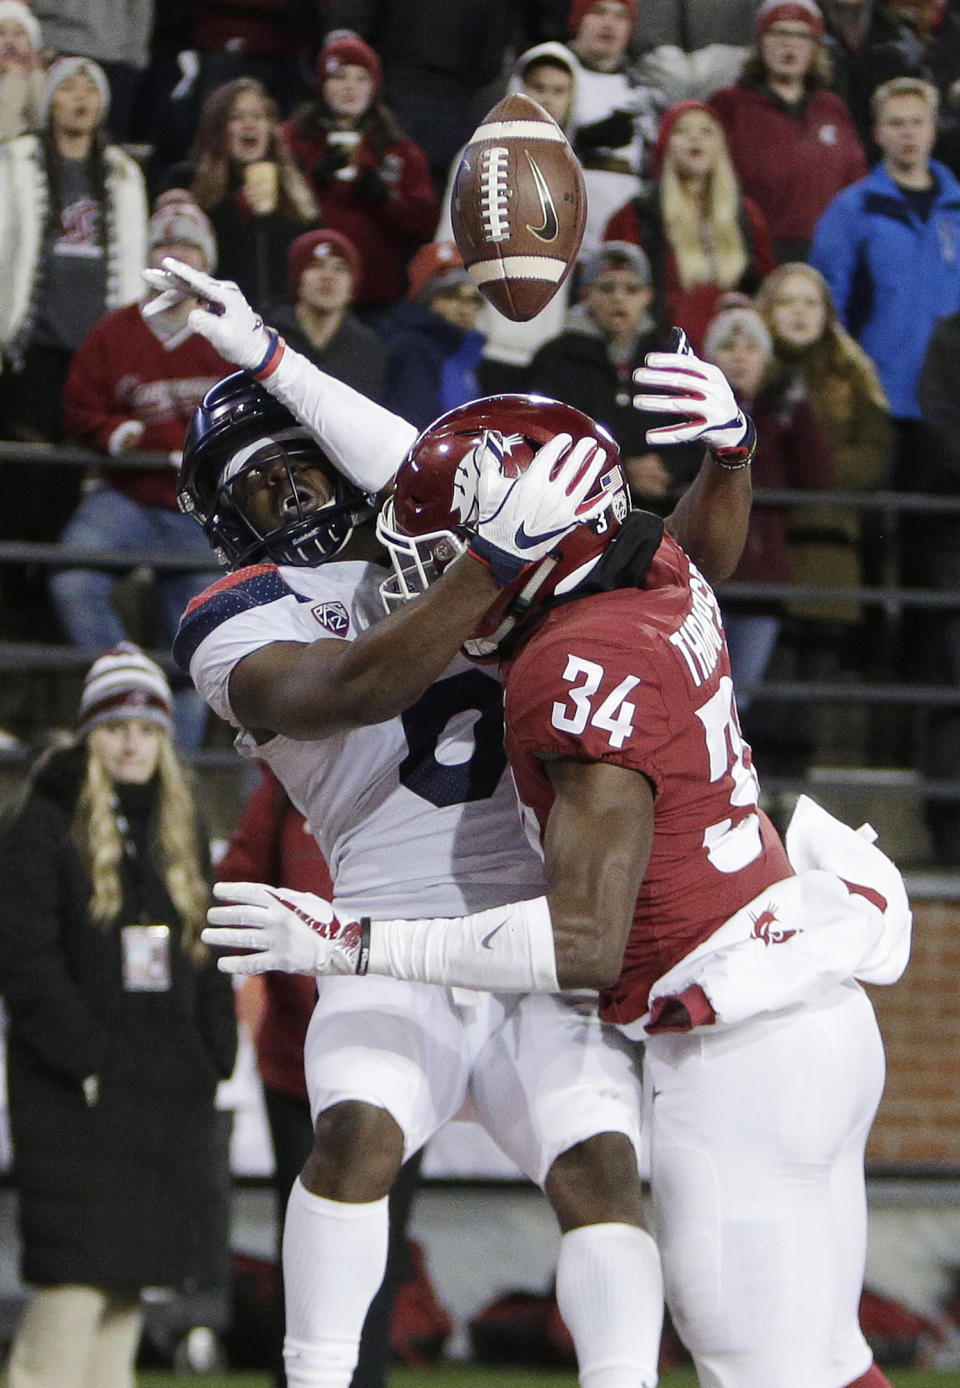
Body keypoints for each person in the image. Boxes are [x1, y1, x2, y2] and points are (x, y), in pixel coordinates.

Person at [200, 341, 909, 1388]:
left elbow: (580, 943)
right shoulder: (653, 572)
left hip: (723, 1032)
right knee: (820, 1355)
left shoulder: (564, 667)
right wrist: (732, 455)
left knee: (754, 1357)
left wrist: (343, 937)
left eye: (459, 547)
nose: (430, 561)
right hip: (801, 992)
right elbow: (606, 531)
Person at [144, 252, 758, 1388]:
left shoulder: (437, 535)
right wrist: (492, 558)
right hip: (389, 921)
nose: (296, 495)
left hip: (537, 912)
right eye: (262, 484)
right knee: (356, 1139)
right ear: (228, 516)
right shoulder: (229, 616)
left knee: (602, 1172)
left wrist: (272, 354)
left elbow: (678, 566)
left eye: (303, 466)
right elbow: (351, 687)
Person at [0, 642, 238, 1388]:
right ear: (88, 734)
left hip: (164, 1098)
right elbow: (26, 965)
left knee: (123, 1305)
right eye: (113, 725)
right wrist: (92, 1060)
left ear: (165, 737)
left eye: (146, 725)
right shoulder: (42, 827)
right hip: (76, 1098)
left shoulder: (181, 828)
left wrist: (211, 1057)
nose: (131, 741)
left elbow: (210, 957)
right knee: (67, 1309)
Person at [218, 764, 423, 1388]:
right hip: (297, 1068)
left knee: (379, 1242)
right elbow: (233, 888)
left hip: (399, 1064)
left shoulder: (416, 785)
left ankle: (364, 1378)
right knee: (305, 1241)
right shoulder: (284, 792)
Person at [49, 191, 232, 750]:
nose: (177, 256)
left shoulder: (229, 331)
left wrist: (186, 450)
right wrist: (119, 434)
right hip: (125, 495)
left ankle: (171, 765)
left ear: (206, 261)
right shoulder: (114, 331)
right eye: (166, 246)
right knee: (72, 579)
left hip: (198, 507)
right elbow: (80, 409)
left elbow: (257, 417)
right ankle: (127, 681)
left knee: (197, 632)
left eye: (188, 247)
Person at [809, 74, 960, 482]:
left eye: (917, 122)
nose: (907, 133)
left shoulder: (957, 209)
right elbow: (827, 302)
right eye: (896, 123)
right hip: (878, 398)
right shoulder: (851, 209)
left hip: (950, 402)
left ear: (933, 130)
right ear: (878, 133)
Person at [702, 298, 835, 714]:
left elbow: (817, 477)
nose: (739, 358)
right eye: (727, 347)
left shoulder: (784, 411)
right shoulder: (693, 413)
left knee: (739, 701)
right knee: (699, 693)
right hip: (704, 577)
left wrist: (796, 412)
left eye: (751, 348)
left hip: (761, 577)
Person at [527, 241, 701, 504]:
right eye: (607, 288)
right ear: (586, 295)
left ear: (647, 297)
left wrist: (669, 467)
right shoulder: (555, 359)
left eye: (631, 289)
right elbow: (543, 438)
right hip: (578, 507)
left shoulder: (673, 358)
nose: (619, 298)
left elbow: (698, 433)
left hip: (662, 507)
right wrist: (624, 470)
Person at [283, 30, 438, 323]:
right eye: (339, 77)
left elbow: (425, 224)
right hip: (298, 299)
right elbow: (267, 211)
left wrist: (385, 201)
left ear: (374, 87)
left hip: (376, 302)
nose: (349, 88)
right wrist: (310, 183)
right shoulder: (291, 139)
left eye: (361, 78)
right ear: (322, 83)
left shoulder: (400, 150)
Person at [604, 99, 775, 352]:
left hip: (733, 353)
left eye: (707, 131)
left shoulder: (747, 215)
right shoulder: (639, 214)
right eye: (682, 131)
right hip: (662, 349)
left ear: (722, 146)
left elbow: (765, 287)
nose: (695, 138)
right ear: (665, 145)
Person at [709, 0, 868, 261]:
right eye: (779, 33)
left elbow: (856, 185)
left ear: (816, 47)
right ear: (760, 43)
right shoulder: (729, 104)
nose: (789, 44)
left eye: (802, 36)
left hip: (830, 253)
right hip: (753, 251)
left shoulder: (832, 108)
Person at [159, 77, 321, 312]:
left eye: (258, 116)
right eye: (237, 117)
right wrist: (236, 210)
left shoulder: (295, 184)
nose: (250, 125)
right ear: (217, 127)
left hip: (282, 325)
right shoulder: (186, 181)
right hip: (211, 317)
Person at [564, 0, 667, 258]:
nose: (609, 24)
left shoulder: (647, 93)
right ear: (579, 20)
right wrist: (579, 142)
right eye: (598, 12)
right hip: (561, 214)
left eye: (621, 16)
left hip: (626, 222)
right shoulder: (546, 73)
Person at [267, 228, 387, 403]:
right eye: (315, 266)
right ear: (297, 279)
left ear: (353, 285)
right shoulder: (267, 336)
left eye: (340, 268)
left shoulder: (369, 349)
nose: (328, 276)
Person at [383, 240, 485, 428]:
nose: (464, 309)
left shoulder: (467, 355)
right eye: (451, 296)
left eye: (473, 300)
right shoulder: (412, 350)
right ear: (426, 299)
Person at [0, 0, 44, 142]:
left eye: (19, 33)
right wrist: (14, 80)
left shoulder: (39, 78)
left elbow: (41, 122)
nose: (9, 42)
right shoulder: (15, 79)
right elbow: (3, 133)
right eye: (1, 33)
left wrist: (35, 75)